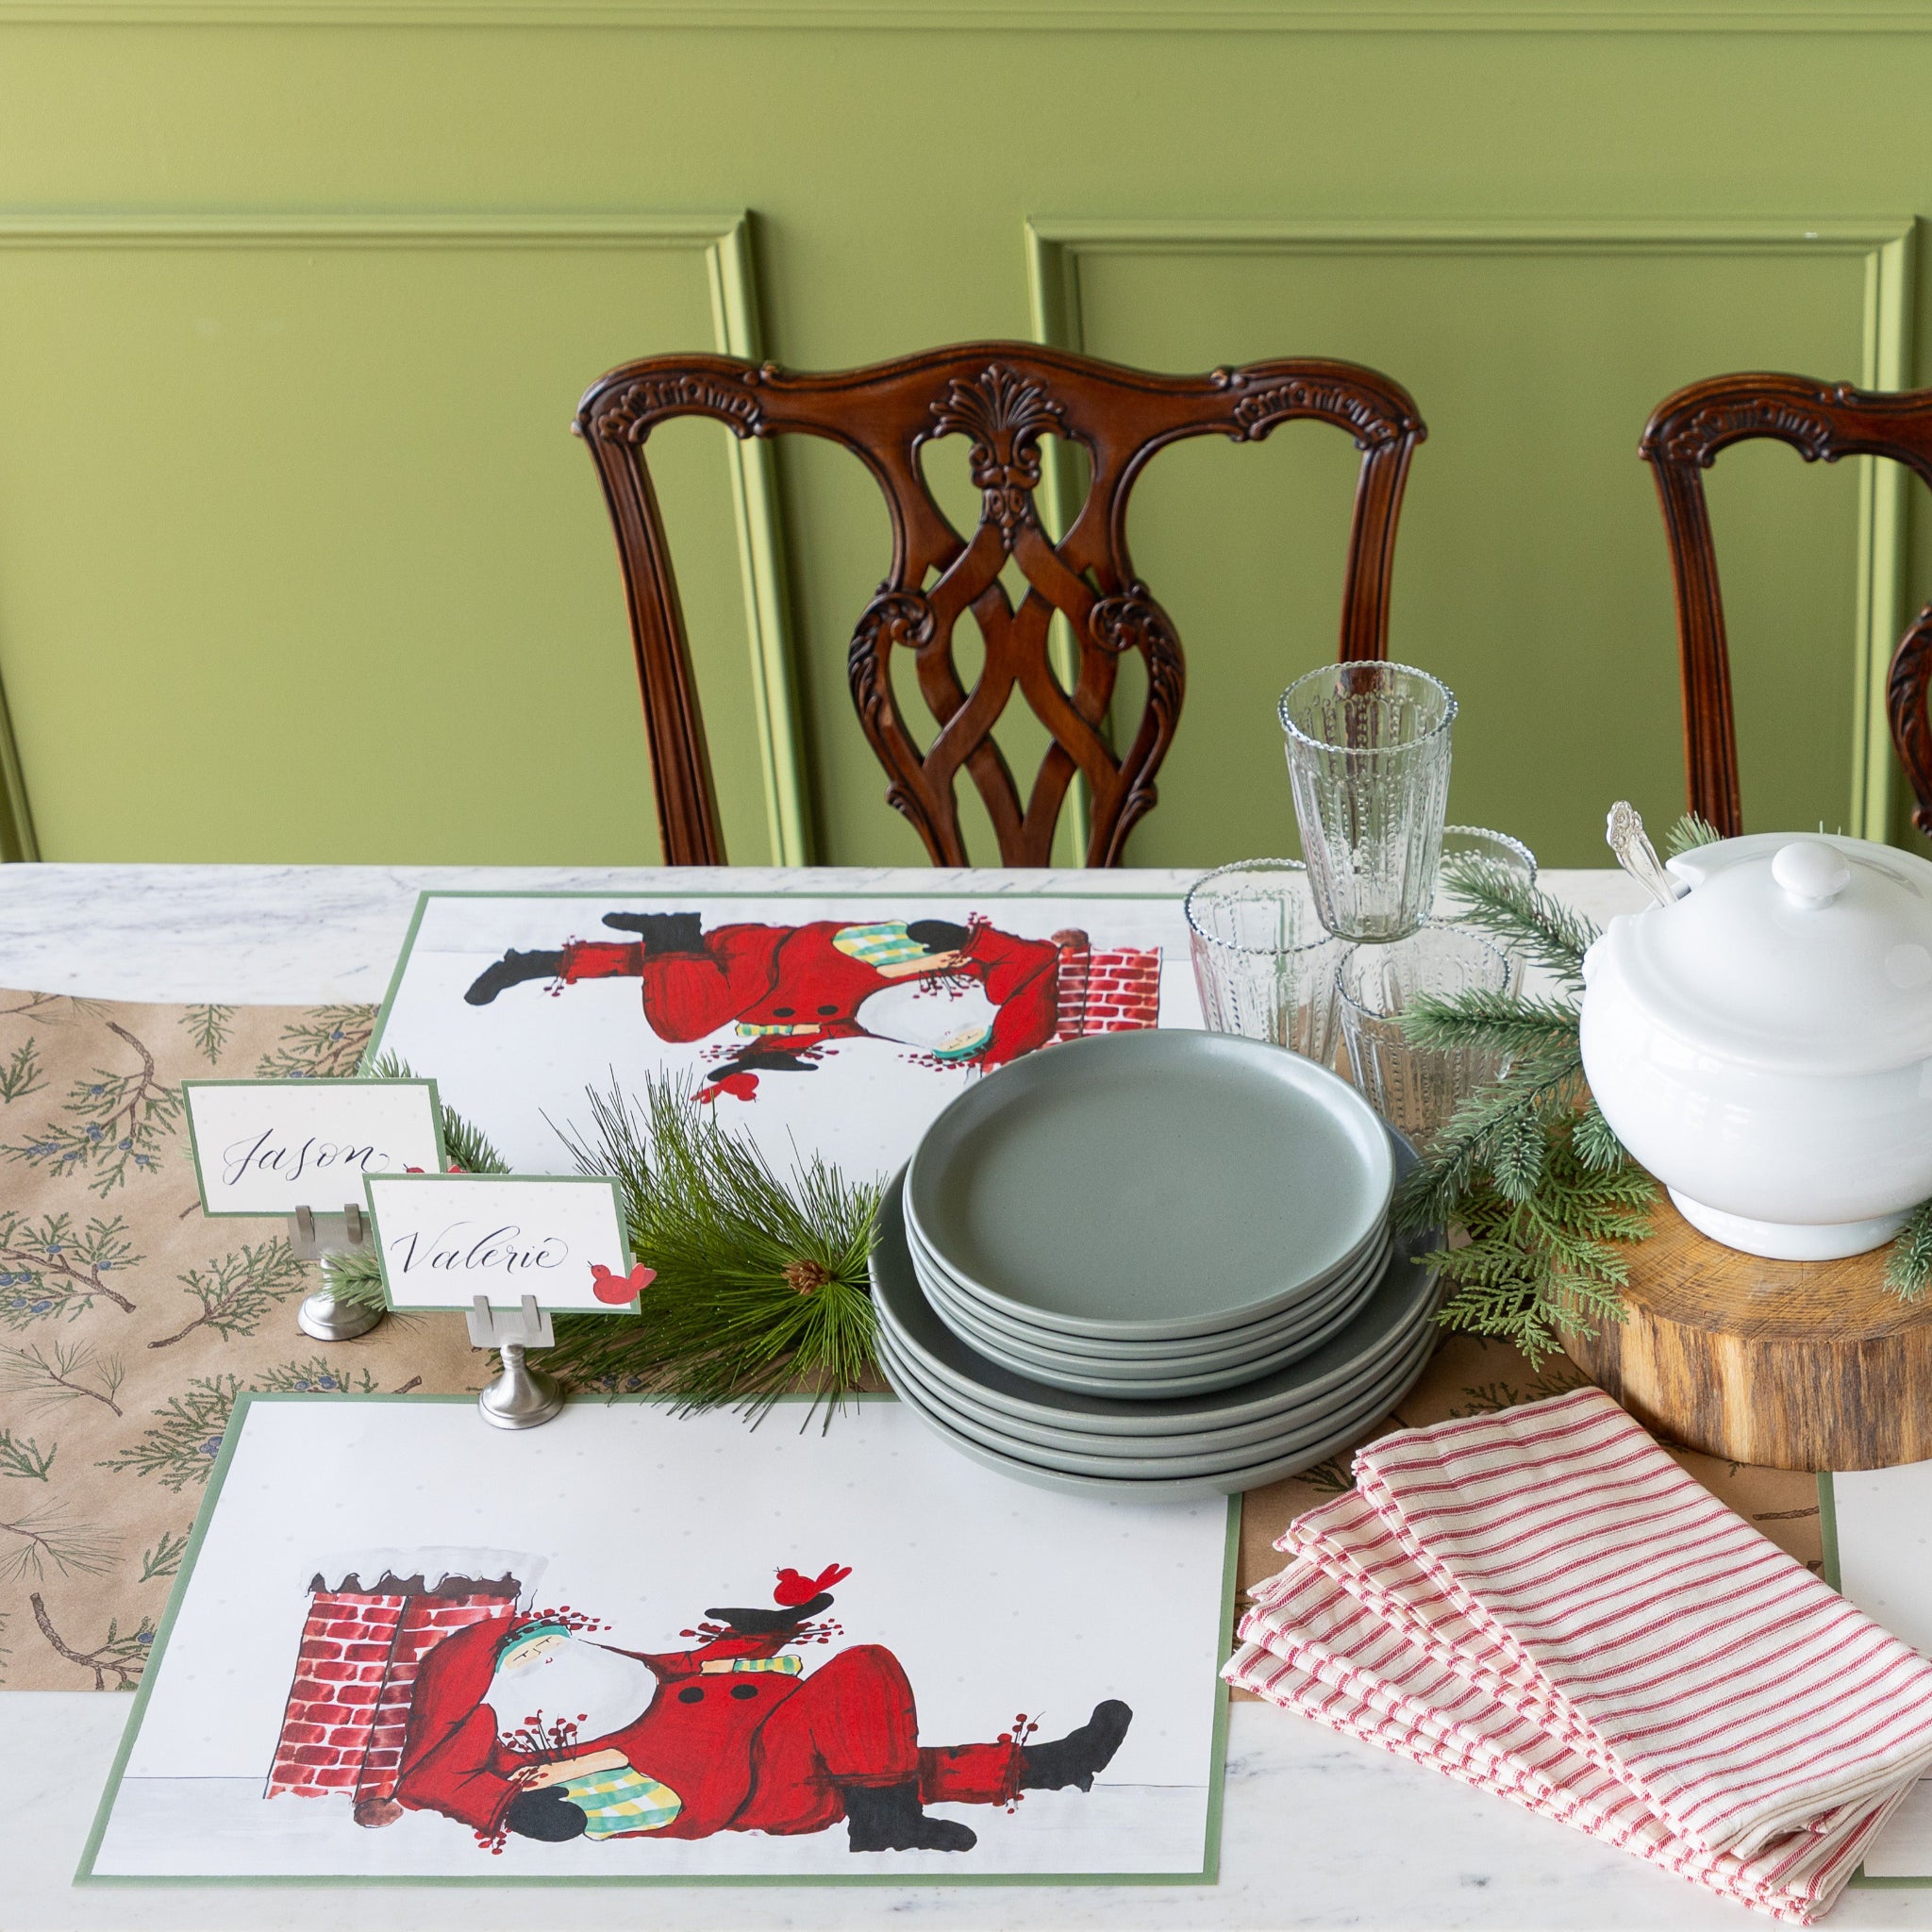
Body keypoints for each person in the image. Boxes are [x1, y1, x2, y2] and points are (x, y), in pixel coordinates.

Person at [390, 1568, 1132, 1853]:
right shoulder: (518, 1732)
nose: (550, 1654)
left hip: (783, 1746)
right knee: (861, 1673)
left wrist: (765, 1630)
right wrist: (513, 1809)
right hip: (745, 1780)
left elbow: (691, 1664)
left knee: (899, 1763)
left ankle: (1051, 1766)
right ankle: (885, 1821)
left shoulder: (625, 1672)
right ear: (498, 1684)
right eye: (528, 1656)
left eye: (552, 1642)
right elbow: (429, 1781)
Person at [463, 912, 1079, 1102]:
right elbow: (1033, 964)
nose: (947, 1033)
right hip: (764, 963)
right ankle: (673, 935)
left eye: (953, 1043)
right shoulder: (922, 959)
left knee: (642, 966)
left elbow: (823, 1028)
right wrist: (969, 944)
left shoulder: (881, 1024)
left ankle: (531, 963)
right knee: (681, 1020)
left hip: (744, 984)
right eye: (961, 1028)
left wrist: (759, 1056)